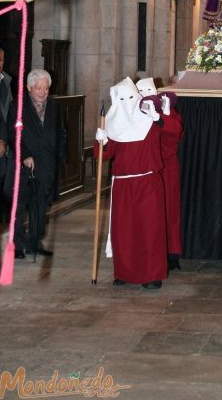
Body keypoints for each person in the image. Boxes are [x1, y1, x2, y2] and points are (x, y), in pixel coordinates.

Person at [95, 77, 174, 289]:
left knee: (149, 230)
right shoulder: (113, 122)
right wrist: (101, 140)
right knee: (123, 231)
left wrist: (159, 117)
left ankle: (151, 274)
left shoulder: (147, 119)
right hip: (122, 185)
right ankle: (124, 271)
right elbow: (105, 155)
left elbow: (174, 132)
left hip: (147, 183)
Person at [6, 69, 67, 258]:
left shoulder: (54, 107)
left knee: (40, 204)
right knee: (20, 204)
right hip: (24, 164)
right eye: (38, 88)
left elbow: (62, 132)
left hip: (47, 164)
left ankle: (35, 242)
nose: (42, 92)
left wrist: (60, 155)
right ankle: (17, 245)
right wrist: (24, 155)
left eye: (45, 88)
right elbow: (13, 134)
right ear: (29, 88)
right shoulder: (18, 106)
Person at [136, 77, 184, 271]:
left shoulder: (165, 110)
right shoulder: (135, 114)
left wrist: (161, 116)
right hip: (144, 168)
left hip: (166, 166)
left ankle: (171, 252)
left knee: (170, 210)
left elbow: (175, 131)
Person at [0, 46, 13, 223]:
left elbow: (8, 113)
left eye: (1, 60)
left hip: (4, 145)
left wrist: (4, 140)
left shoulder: (6, 82)